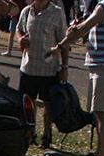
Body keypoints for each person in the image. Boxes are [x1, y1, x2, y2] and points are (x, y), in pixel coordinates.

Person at [54, 0, 104, 156]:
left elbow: (87, 25)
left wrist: (59, 46)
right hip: (101, 63)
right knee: (98, 111)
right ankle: (100, 153)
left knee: (102, 112)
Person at [16, 0, 66, 147]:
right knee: (29, 104)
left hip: (49, 68)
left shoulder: (57, 13)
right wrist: (20, 38)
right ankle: (30, 132)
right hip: (28, 67)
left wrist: (65, 67)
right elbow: (19, 29)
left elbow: (64, 41)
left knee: (48, 104)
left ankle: (46, 135)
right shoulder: (26, 11)